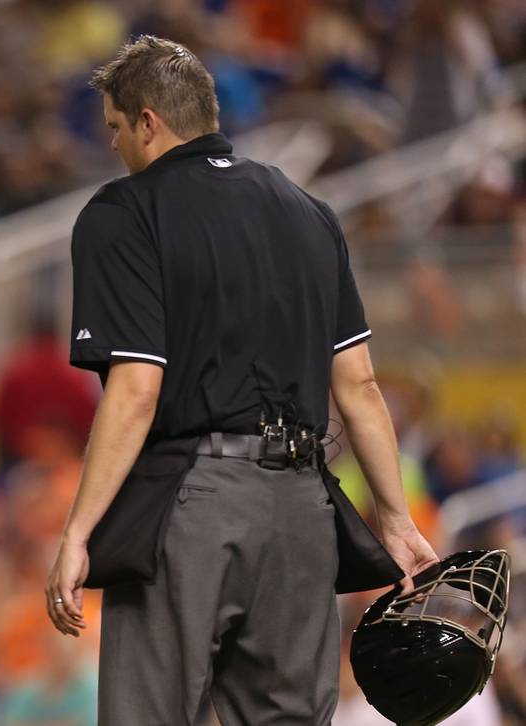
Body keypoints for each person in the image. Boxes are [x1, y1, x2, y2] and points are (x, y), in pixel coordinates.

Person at [43, 36, 439, 724]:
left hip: (192, 502)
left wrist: (79, 530)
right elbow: (359, 385)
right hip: (303, 507)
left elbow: (137, 389)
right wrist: (395, 518)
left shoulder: (124, 211)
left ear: (148, 122)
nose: (113, 146)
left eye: (114, 128)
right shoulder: (309, 212)